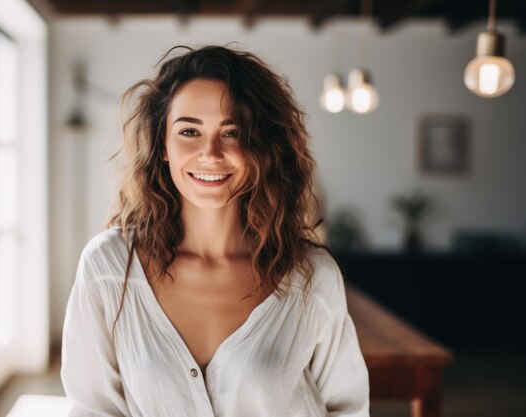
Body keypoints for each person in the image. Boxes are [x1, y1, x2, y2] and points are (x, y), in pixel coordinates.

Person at [61, 45, 370, 417]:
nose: (210, 152)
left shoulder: (312, 277)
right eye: (189, 131)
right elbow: (92, 409)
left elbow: (348, 409)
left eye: (232, 132)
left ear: (261, 147)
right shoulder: (108, 269)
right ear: (163, 145)